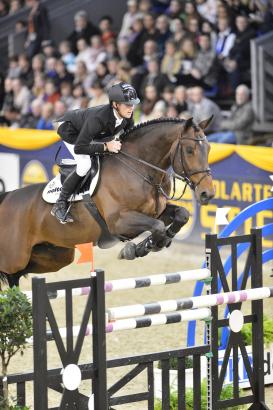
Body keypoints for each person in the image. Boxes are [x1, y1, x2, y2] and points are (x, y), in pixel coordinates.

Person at [51, 82, 140, 224]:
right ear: (115, 105)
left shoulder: (127, 115)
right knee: (84, 164)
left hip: (93, 133)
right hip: (70, 130)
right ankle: (60, 203)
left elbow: (130, 137)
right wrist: (105, 146)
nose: (131, 108)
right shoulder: (98, 118)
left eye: (133, 104)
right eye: (127, 104)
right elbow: (79, 148)